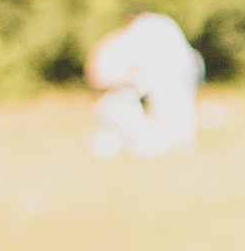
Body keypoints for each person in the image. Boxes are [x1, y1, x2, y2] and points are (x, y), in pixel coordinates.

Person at [85, 12, 204, 158]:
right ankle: (180, 142)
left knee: (119, 105)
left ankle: (172, 141)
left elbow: (100, 76)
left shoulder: (142, 33)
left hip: (164, 83)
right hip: (184, 72)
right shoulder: (162, 29)